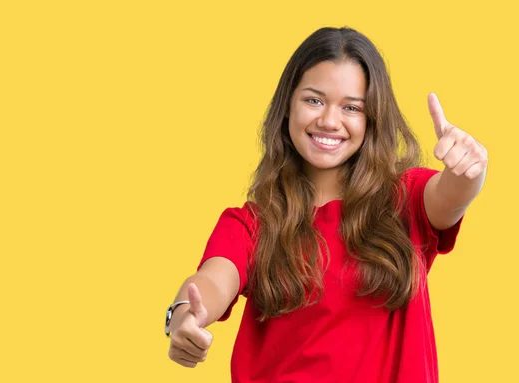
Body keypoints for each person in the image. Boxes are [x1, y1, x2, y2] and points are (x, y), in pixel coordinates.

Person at [164, 26, 487, 383]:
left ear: (371, 120)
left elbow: (451, 195)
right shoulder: (254, 224)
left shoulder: (404, 201)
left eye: (351, 107)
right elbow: (211, 282)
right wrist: (184, 317)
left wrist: (468, 169)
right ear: (288, 105)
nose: (330, 121)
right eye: (314, 100)